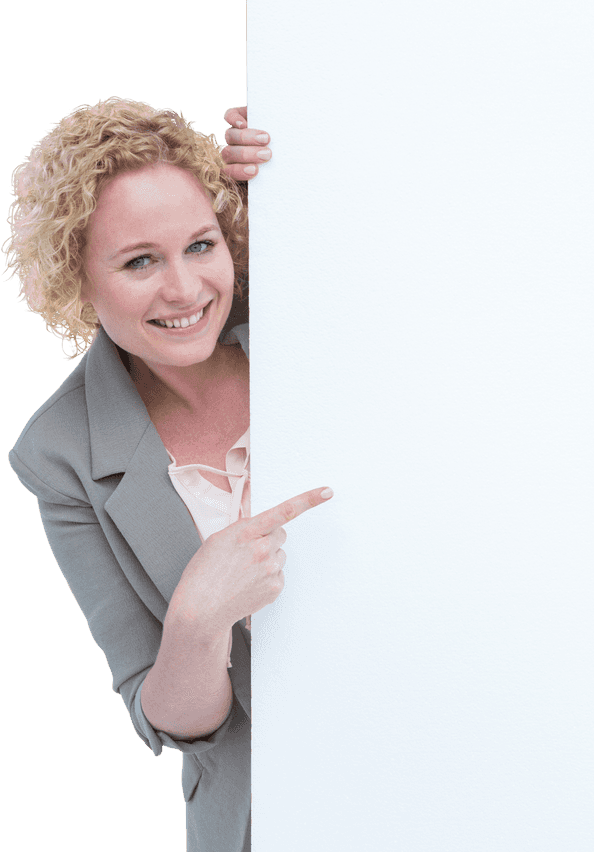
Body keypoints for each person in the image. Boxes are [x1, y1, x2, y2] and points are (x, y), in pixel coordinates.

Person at [5, 98, 329, 852]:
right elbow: (179, 720)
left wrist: (309, 161)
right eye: (140, 261)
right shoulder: (58, 454)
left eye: (200, 244)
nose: (185, 291)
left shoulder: (307, 320)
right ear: (76, 281)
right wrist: (197, 618)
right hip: (269, 818)